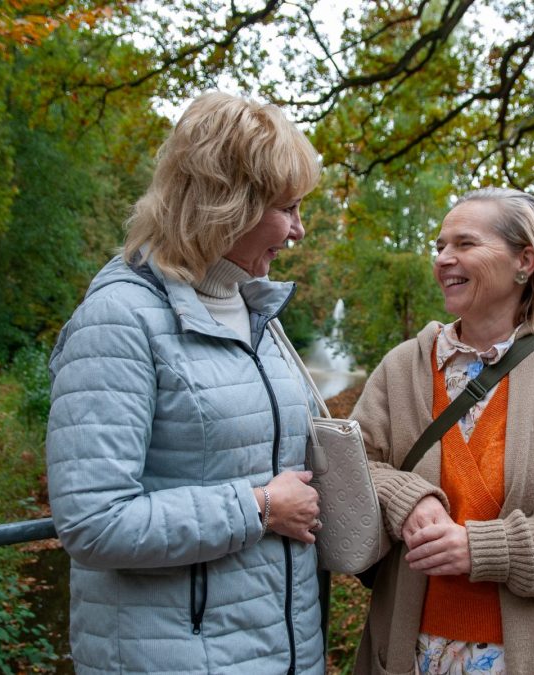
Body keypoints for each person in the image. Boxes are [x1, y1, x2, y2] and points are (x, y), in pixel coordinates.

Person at [45, 91, 326, 674]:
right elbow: (93, 523)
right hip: (176, 656)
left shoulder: (258, 316)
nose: (299, 230)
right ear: (229, 204)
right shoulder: (119, 320)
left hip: (280, 649)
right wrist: (261, 507)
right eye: (288, 208)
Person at [351, 187, 534, 674]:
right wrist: (406, 495)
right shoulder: (404, 365)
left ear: (525, 261)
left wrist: (482, 549)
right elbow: (351, 465)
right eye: (440, 245)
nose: (444, 258)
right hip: (411, 651)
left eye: (465, 244)